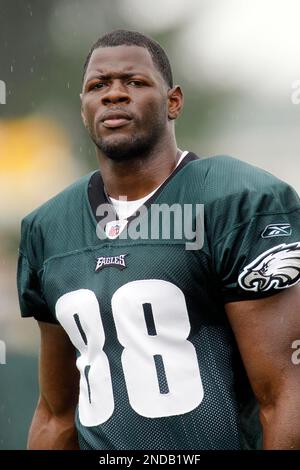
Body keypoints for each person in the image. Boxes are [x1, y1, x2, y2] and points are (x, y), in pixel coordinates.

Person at [17, 29, 300, 451]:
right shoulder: (49, 227)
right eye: (98, 86)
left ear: (174, 101)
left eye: (134, 82)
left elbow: (285, 394)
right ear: (83, 109)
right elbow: (56, 414)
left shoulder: (235, 200)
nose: (113, 95)